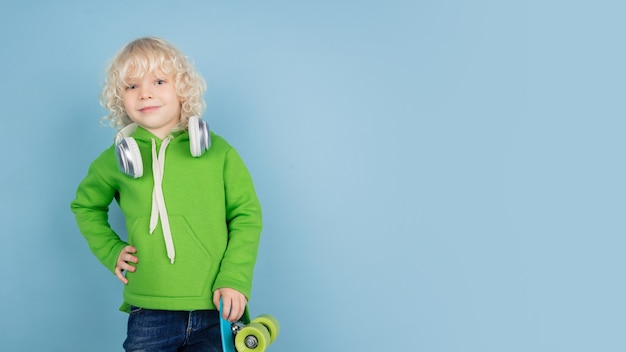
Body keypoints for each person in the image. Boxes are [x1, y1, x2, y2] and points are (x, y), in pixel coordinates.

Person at [71, 37, 263, 351]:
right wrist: (111, 251)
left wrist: (235, 278)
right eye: (131, 86)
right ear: (120, 98)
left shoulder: (219, 153)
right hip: (149, 311)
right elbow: (85, 206)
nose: (145, 92)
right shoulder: (117, 159)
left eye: (159, 81)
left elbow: (247, 217)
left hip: (215, 307)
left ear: (182, 89)